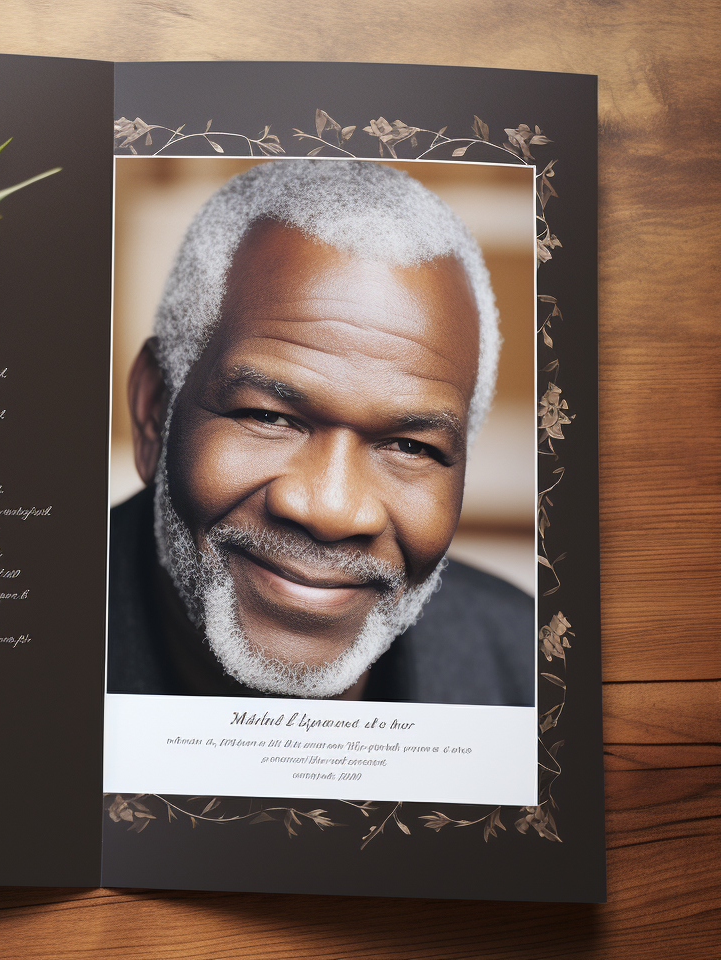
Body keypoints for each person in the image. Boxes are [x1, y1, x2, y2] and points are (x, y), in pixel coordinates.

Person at [107, 160, 534, 706]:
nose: (331, 510)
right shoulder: (5, 649)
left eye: (411, 447)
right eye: (268, 417)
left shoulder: (524, 670)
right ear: (154, 409)